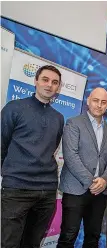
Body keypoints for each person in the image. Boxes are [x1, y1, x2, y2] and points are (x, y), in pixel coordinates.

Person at [1, 65, 64, 248]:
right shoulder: (14, 108)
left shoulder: (58, 118)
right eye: (45, 80)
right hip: (16, 190)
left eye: (54, 82)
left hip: (46, 191)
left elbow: (52, 147)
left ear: (58, 88)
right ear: (35, 81)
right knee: (9, 244)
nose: (49, 85)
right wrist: (11, 173)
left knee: (32, 244)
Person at [57, 87, 107, 247]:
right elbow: (71, 156)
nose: (99, 105)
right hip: (76, 189)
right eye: (96, 101)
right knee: (68, 237)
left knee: (93, 237)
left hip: (100, 191)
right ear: (88, 101)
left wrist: (104, 180)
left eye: (103, 102)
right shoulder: (73, 123)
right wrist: (92, 182)